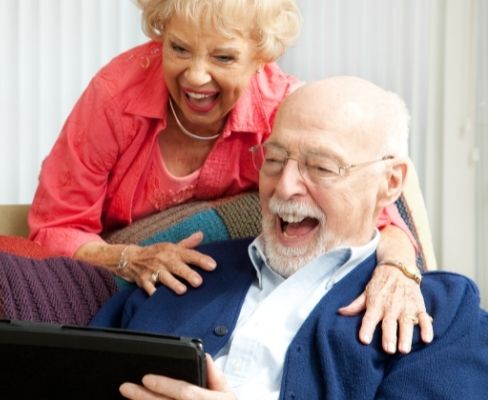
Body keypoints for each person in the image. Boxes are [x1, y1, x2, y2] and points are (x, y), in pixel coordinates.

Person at [29, 0, 431, 353]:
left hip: (216, 290)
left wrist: (400, 271)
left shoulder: (285, 110)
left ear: (261, 57)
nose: (196, 77)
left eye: (223, 58)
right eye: (179, 48)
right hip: (121, 281)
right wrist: (130, 258)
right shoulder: (116, 95)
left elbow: (377, 212)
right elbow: (55, 225)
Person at [90, 76, 488, 400]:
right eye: (275, 160)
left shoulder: (443, 312)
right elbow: (71, 372)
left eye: (321, 166)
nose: (285, 187)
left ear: (390, 183)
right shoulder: (186, 271)